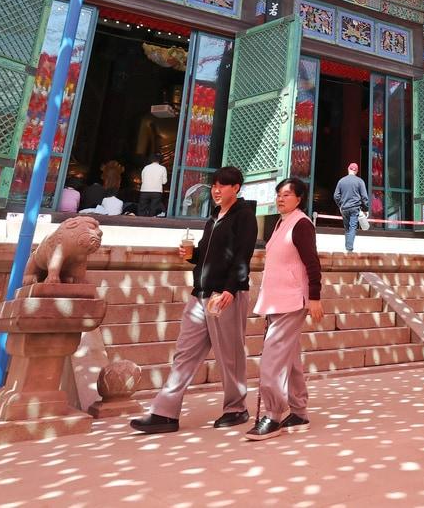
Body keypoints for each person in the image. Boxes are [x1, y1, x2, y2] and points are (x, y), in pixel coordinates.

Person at [131, 166, 257, 434]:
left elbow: (242, 256)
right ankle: (165, 412)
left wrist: (230, 290)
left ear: (236, 188)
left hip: (224, 295)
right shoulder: (214, 218)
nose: (217, 190)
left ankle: (236, 408)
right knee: (184, 353)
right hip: (199, 294)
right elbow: (206, 254)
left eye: (223, 185)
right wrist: (192, 256)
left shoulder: (244, 217)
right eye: (214, 186)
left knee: (229, 355)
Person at [246, 177, 323, 441]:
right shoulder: (280, 223)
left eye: (287, 195)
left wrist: (315, 297)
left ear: (299, 199)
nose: (280, 198)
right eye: (279, 194)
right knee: (289, 359)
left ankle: (273, 415)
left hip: (292, 299)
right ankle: (299, 412)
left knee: (272, 359)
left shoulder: (301, 224)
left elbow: (312, 263)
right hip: (276, 300)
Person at [334, 163, 370, 253]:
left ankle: (347, 247)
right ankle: (349, 249)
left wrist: (340, 205)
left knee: (347, 228)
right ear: (356, 171)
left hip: (344, 208)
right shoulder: (360, 181)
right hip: (355, 208)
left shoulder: (341, 181)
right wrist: (365, 209)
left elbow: (336, 196)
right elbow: (364, 197)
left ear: (348, 169)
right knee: (353, 227)